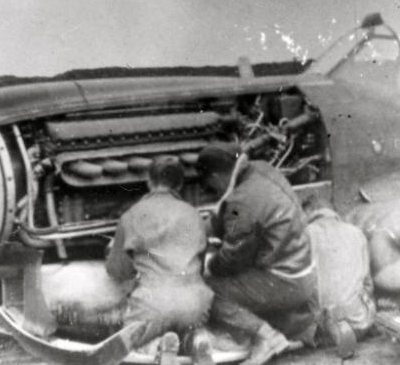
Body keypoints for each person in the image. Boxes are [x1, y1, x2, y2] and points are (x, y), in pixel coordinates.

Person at [197, 142, 317, 365]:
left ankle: (266, 337)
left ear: (215, 176)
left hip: (286, 281)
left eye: (211, 186)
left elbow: (231, 260)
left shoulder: (241, 200)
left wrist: (207, 263)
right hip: (305, 272)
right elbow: (231, 219)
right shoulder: (261, 169)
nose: (213, 191)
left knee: (205, 291)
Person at [105, 156, 214, 358]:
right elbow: (199, 266)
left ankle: (157, 348)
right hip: (195, 303)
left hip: (152, 304)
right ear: (180, 184)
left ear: (149, 181)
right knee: (189, 327)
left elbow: (117, 270)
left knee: (133, 345)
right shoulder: (194, 214)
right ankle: (196, 341)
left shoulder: (131, 215)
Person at [301, 196, 376, 343]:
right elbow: (368, 285)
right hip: (361, 323)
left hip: (324, 329)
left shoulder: (305, 235)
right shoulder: (357, 233)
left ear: (308, 212)